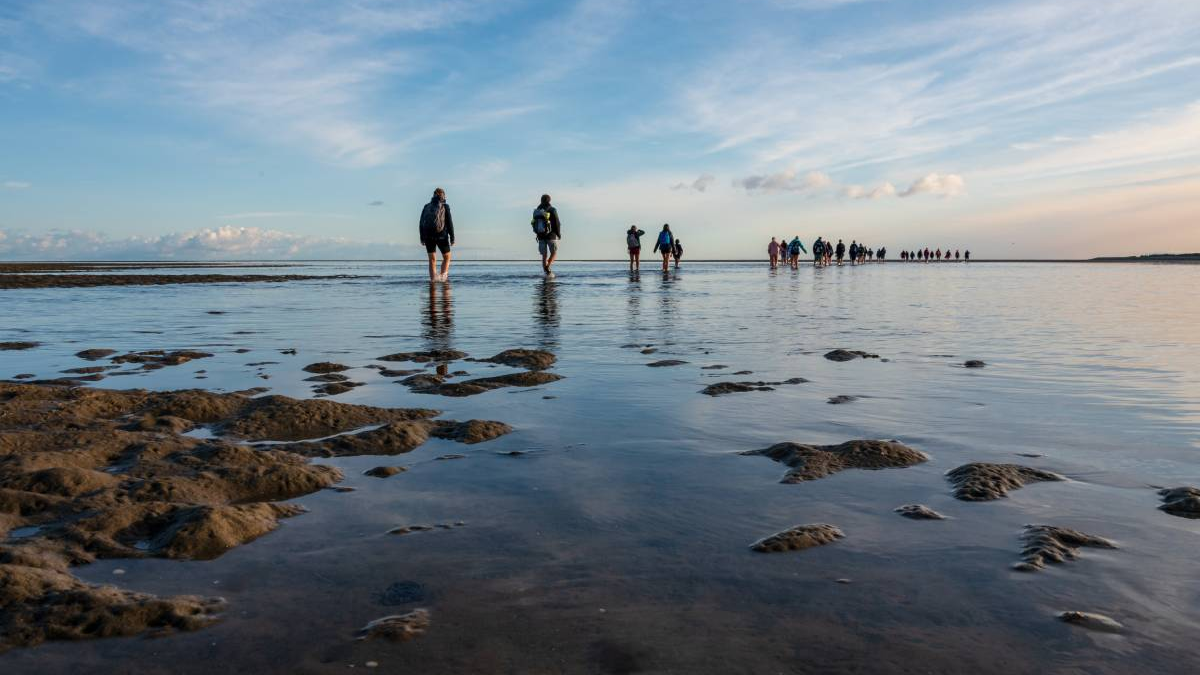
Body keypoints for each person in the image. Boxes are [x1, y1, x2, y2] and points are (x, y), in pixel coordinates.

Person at [419, 187, 455, 282]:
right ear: (443, 196)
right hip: (441, 236)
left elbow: (421, 222)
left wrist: (422, 237)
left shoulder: (426, 206)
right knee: (447, 257)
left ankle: (433, 281)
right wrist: (452, 238)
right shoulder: (445, 206)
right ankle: (443, 278)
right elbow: (449, 222)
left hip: (428, 236)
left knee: (432, 260)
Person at [531, 194, 561, 277]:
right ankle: (548, 267)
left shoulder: (537, 211)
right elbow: (557, 223)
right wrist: (558, 234)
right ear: (549, 201)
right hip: (551, 236)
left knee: (544, 256)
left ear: (541, 201)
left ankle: (546, 273)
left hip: (540, 236)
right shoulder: (552, 209)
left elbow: (534, 223)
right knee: (554, 253)